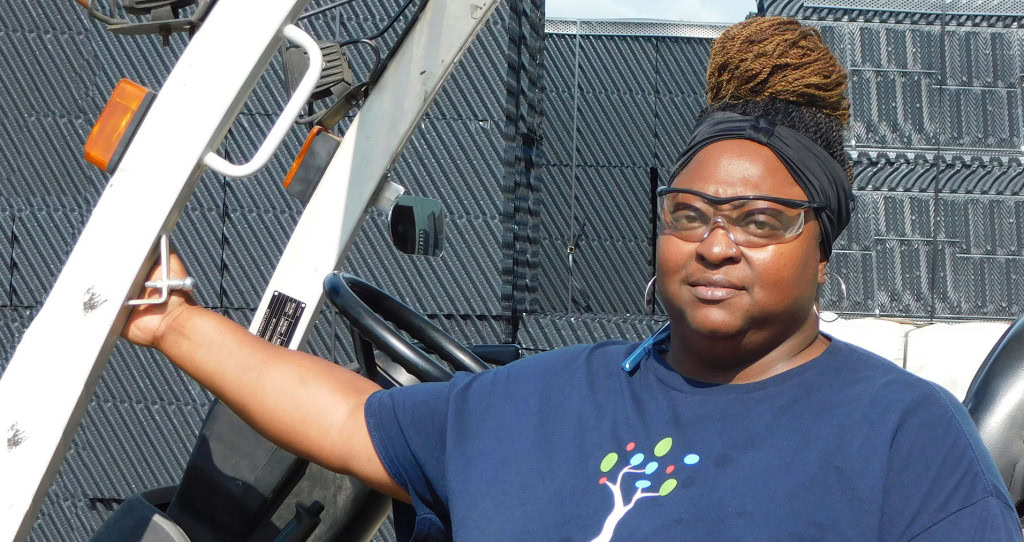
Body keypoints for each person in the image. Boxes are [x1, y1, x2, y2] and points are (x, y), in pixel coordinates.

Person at [123, 16, 1023, 541]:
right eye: (690, 213)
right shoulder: (540, 400)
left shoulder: (905, 442)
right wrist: (173, 322)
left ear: (821, 249)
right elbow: (352, 420)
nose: (714, 245)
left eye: (759, 222)